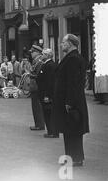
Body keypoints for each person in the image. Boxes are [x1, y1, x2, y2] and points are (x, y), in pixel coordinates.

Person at [52, 34, 89, 167]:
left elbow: (73, 82)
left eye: (63, 42)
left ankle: (75, 158)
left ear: (70, 43)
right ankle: (75, 157)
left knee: (72, 131)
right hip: (72, 101)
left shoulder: (73, 59)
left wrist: (69, 102)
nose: (61, 45)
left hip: (71, 102)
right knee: (71, 131)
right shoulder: (73, 57)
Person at [37, 48, 59, 138]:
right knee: (47, 113)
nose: (42, 56)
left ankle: (52, 132)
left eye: (43, 54)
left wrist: (47, 95)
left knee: (49, 113)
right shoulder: (47, 64)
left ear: (47, 55)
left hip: (47, 94)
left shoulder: (50, 65)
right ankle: (51, 131)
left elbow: (49, 82)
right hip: (45, 93)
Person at [29, 45, 45, 131]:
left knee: (37, 106)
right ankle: (38, 123)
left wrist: (30, 74)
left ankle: (39, 124)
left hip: (36, 86)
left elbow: (38, 74)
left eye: (32, 52)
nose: (31, 54)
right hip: (34, 86)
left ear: (37, 52)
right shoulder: (36, 61)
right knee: (35, 106)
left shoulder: (39, 61)